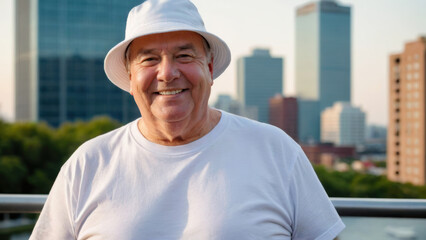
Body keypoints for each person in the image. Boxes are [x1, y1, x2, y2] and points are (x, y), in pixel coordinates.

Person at [30, 0, 345, 239]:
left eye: (184, 56)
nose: (167, 73)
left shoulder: (277, 150)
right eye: (150, 59)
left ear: (209, 69)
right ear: (130, 78)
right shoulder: (88, 163)